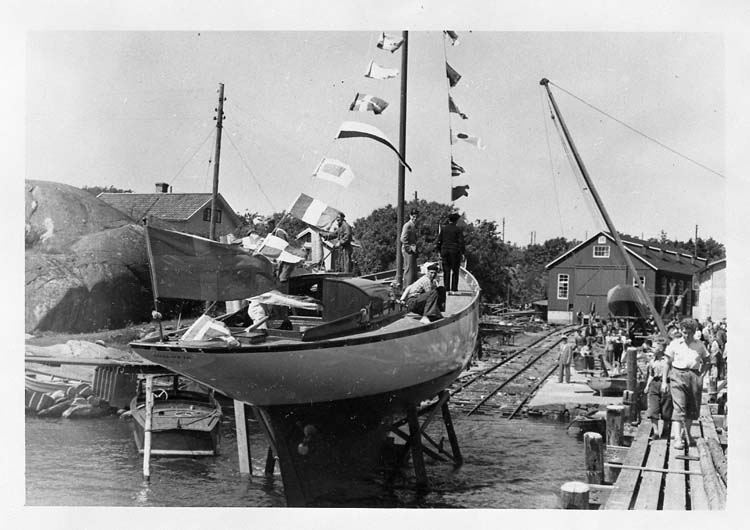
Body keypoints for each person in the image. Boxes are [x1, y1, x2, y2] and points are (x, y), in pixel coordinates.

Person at [664, 317, 709, 450]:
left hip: (694, 376)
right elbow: (667, 363)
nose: (686, 335)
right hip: (677, 375)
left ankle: (687, 433)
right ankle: (677, 438)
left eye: (689, 332)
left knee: (692, 407)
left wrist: (701, 376)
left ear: (694, 332)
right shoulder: (675, 344)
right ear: (681, 331)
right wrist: (664, 381)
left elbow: (707, 361)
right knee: (679, 406)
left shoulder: (699, 345)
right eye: (684, 332)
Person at [644, 341, 673, 439]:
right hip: (654, 384)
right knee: (653, 408)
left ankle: (665, 429)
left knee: (666, 409)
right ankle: (656, 432)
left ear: (660, 349)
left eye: (654, 347)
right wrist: (647, 386)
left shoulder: (668, 360)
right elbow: (651, 374)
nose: (651, 349)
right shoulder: (652, 361)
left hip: (666, 383)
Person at [436, 212, 465, 292]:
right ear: (456, 221)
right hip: (455, 252)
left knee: (446, 270)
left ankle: (446, 288)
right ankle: (454, 288)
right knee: (455, 270)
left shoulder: (444, 229)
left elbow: (439, 241)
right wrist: (462, 253)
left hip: (445, 251)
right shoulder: (458, 230)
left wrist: (439, 251)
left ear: (449, 220)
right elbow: (461, 242)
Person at [400, 208, 419, 288]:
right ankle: (407, 288)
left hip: (412, 250)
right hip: (408, 251)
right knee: (409, 271)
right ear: (410, 216)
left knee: (413, 271)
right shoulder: (408, 225)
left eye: (416, 217)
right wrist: (409, 249)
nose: (415, 218)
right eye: (413, 216)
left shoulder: (413, 225)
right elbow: (403, 238)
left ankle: (411, 288)